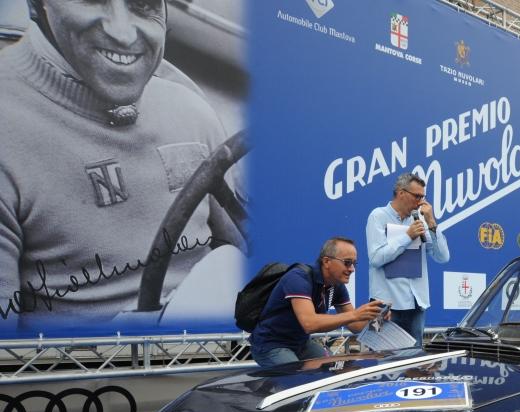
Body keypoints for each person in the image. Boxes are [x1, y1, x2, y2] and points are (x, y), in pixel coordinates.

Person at [0, 0, 242, 329]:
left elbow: (243, 253)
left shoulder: (187, 107)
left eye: (144, 5)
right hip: (107, 374)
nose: (124, 34)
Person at [249, 238, 384, 368]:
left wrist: (377, 318)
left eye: (354, 263)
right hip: (270, 345)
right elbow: (309, 324)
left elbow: (355, 326)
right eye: (347, 262)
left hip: (301, 343)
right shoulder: (298, 278)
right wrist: (355, 315)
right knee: (296, 380)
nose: (352, 269)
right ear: (326, 261)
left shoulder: (336, 285)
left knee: (333, 371)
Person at [366, 173, 450, 346]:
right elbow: (376, 258)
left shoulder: (420, 221)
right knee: (383, 358)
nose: (420, 202)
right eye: (417, 196)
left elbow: (443, 257)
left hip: (416, 303)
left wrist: (432, 222)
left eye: (423, 197)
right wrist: (407, 236)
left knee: (414, 364)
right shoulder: (378, 216)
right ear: (400, 192)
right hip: (384, 306)